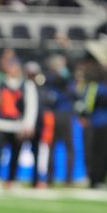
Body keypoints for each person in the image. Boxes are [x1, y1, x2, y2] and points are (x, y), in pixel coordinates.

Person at [0, 58, 38, 188]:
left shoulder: (26, 85)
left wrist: (28, 125)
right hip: (2, 123)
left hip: (17, 125)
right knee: (0, 153)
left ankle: (12, 179)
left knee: (16, 153)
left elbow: (31, 106)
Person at [44, 54, 77, 186]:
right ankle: (64, 178)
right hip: (61, 115)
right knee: (64, 147)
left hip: (57, 115)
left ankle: (53, 178)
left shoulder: (51, 79)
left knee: (56, 147)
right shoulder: (61, 79)